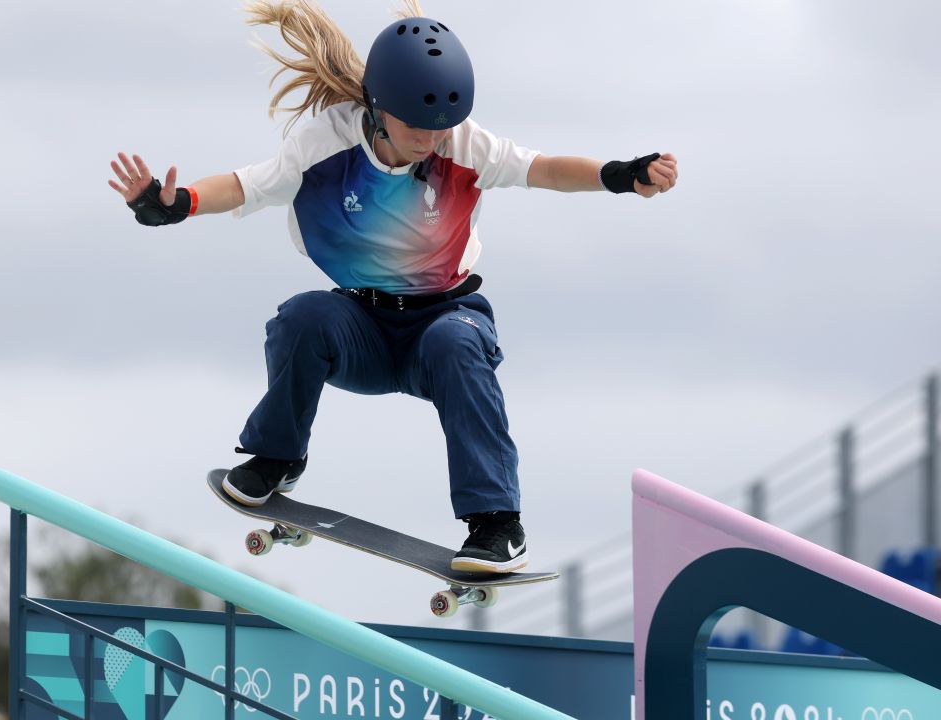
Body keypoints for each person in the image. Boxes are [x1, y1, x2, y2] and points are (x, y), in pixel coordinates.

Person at [108, 0, 678, 574]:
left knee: (456, 344)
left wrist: (621, 175)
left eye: (441, 126)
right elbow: (244, 185)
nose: (431, 139)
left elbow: (546, 169)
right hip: (364, 329)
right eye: (417, 126)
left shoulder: (464, 146)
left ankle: (497, 524)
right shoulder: (324, 145)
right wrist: (178, 205)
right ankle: (278, 455)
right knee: (301, 318)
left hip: (447, 319)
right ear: (380, 110)